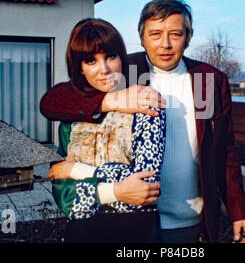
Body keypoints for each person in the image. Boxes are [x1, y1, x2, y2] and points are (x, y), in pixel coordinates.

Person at [40, 0, 245, 243]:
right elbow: (52, 101)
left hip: (189, 218)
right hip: (131, 220)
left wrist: (239, 211)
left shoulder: (207, 81)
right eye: (155, 34)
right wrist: (111, 101)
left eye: (175, 33)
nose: (165, 44)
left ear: (188, 37)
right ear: (141, 37)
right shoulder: (123, 69)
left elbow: (224, 150)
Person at [47, 18, 166, 243]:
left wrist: (76, 170)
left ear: (122, 57)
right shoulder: (72, 118)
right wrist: (118, 191)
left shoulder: (144, 105)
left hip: (135, 235)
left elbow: (144, 189)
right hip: (81, 235)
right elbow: (65, 199)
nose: (104, 69)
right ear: (80, 68)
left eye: (110, 56)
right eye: (91, 61)